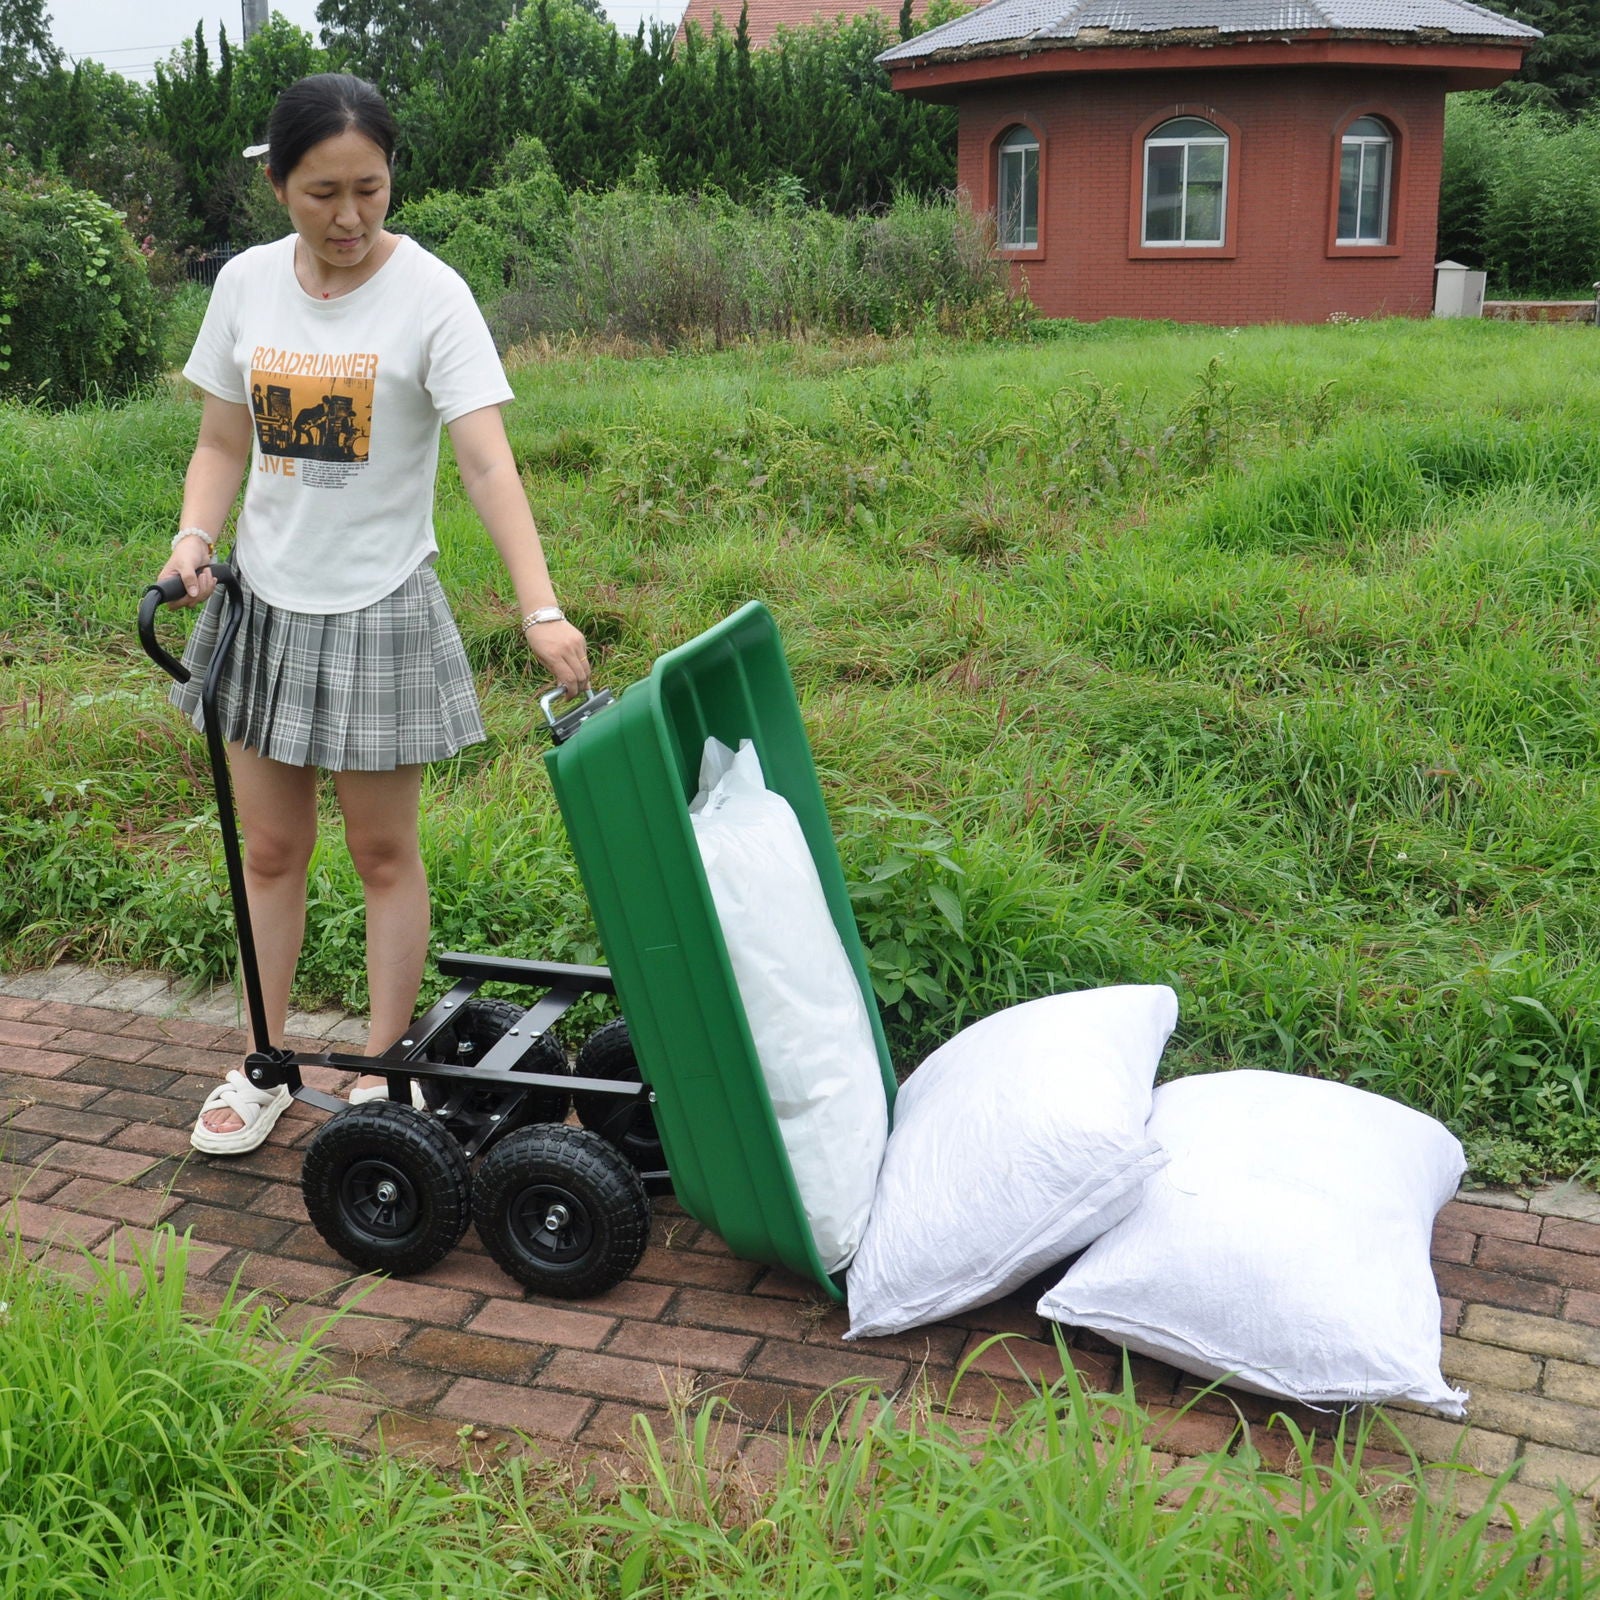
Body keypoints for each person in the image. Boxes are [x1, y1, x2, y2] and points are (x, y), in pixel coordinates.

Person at [155, 73, 589, 1156]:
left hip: (381, 606)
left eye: (370, 190)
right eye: (320, 193)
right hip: (262, 607)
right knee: (268, 850)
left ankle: (386, 1071)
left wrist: (539, 606)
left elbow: (486, 460)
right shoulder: (248, 286)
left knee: (385, 853)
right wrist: (193, 540)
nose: (348, 219)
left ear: (391, 178)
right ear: (277, 184)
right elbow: (220, 443)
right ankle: (264, 1059)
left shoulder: (432, 293)